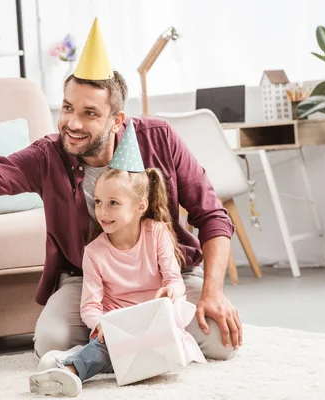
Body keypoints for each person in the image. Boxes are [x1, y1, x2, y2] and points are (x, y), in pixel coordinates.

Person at [0, 18, 242, 365]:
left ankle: (107, 353)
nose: (73, 123)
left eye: (89, 113)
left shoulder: (160, 138)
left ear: (117, 120)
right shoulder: (48, 155)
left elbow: (212, 215)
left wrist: (212, 293)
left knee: (220, 340)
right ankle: (117, 351)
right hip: (91, 278)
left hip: (167, 277)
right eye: (67, 108)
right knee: (52, 341)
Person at [29, 123, 205, 397]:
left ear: (140, 207)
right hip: (116, 327)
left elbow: (173, 279)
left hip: (153, 322)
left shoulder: (156, 232)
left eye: (113, 203)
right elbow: (90, 304)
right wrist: (99, 323)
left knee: (153, 351)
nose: (102, 211)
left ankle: (70, 360)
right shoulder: (95, 251)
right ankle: (71, 372)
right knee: (109, 348)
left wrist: (172, 290)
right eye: (98, 202)